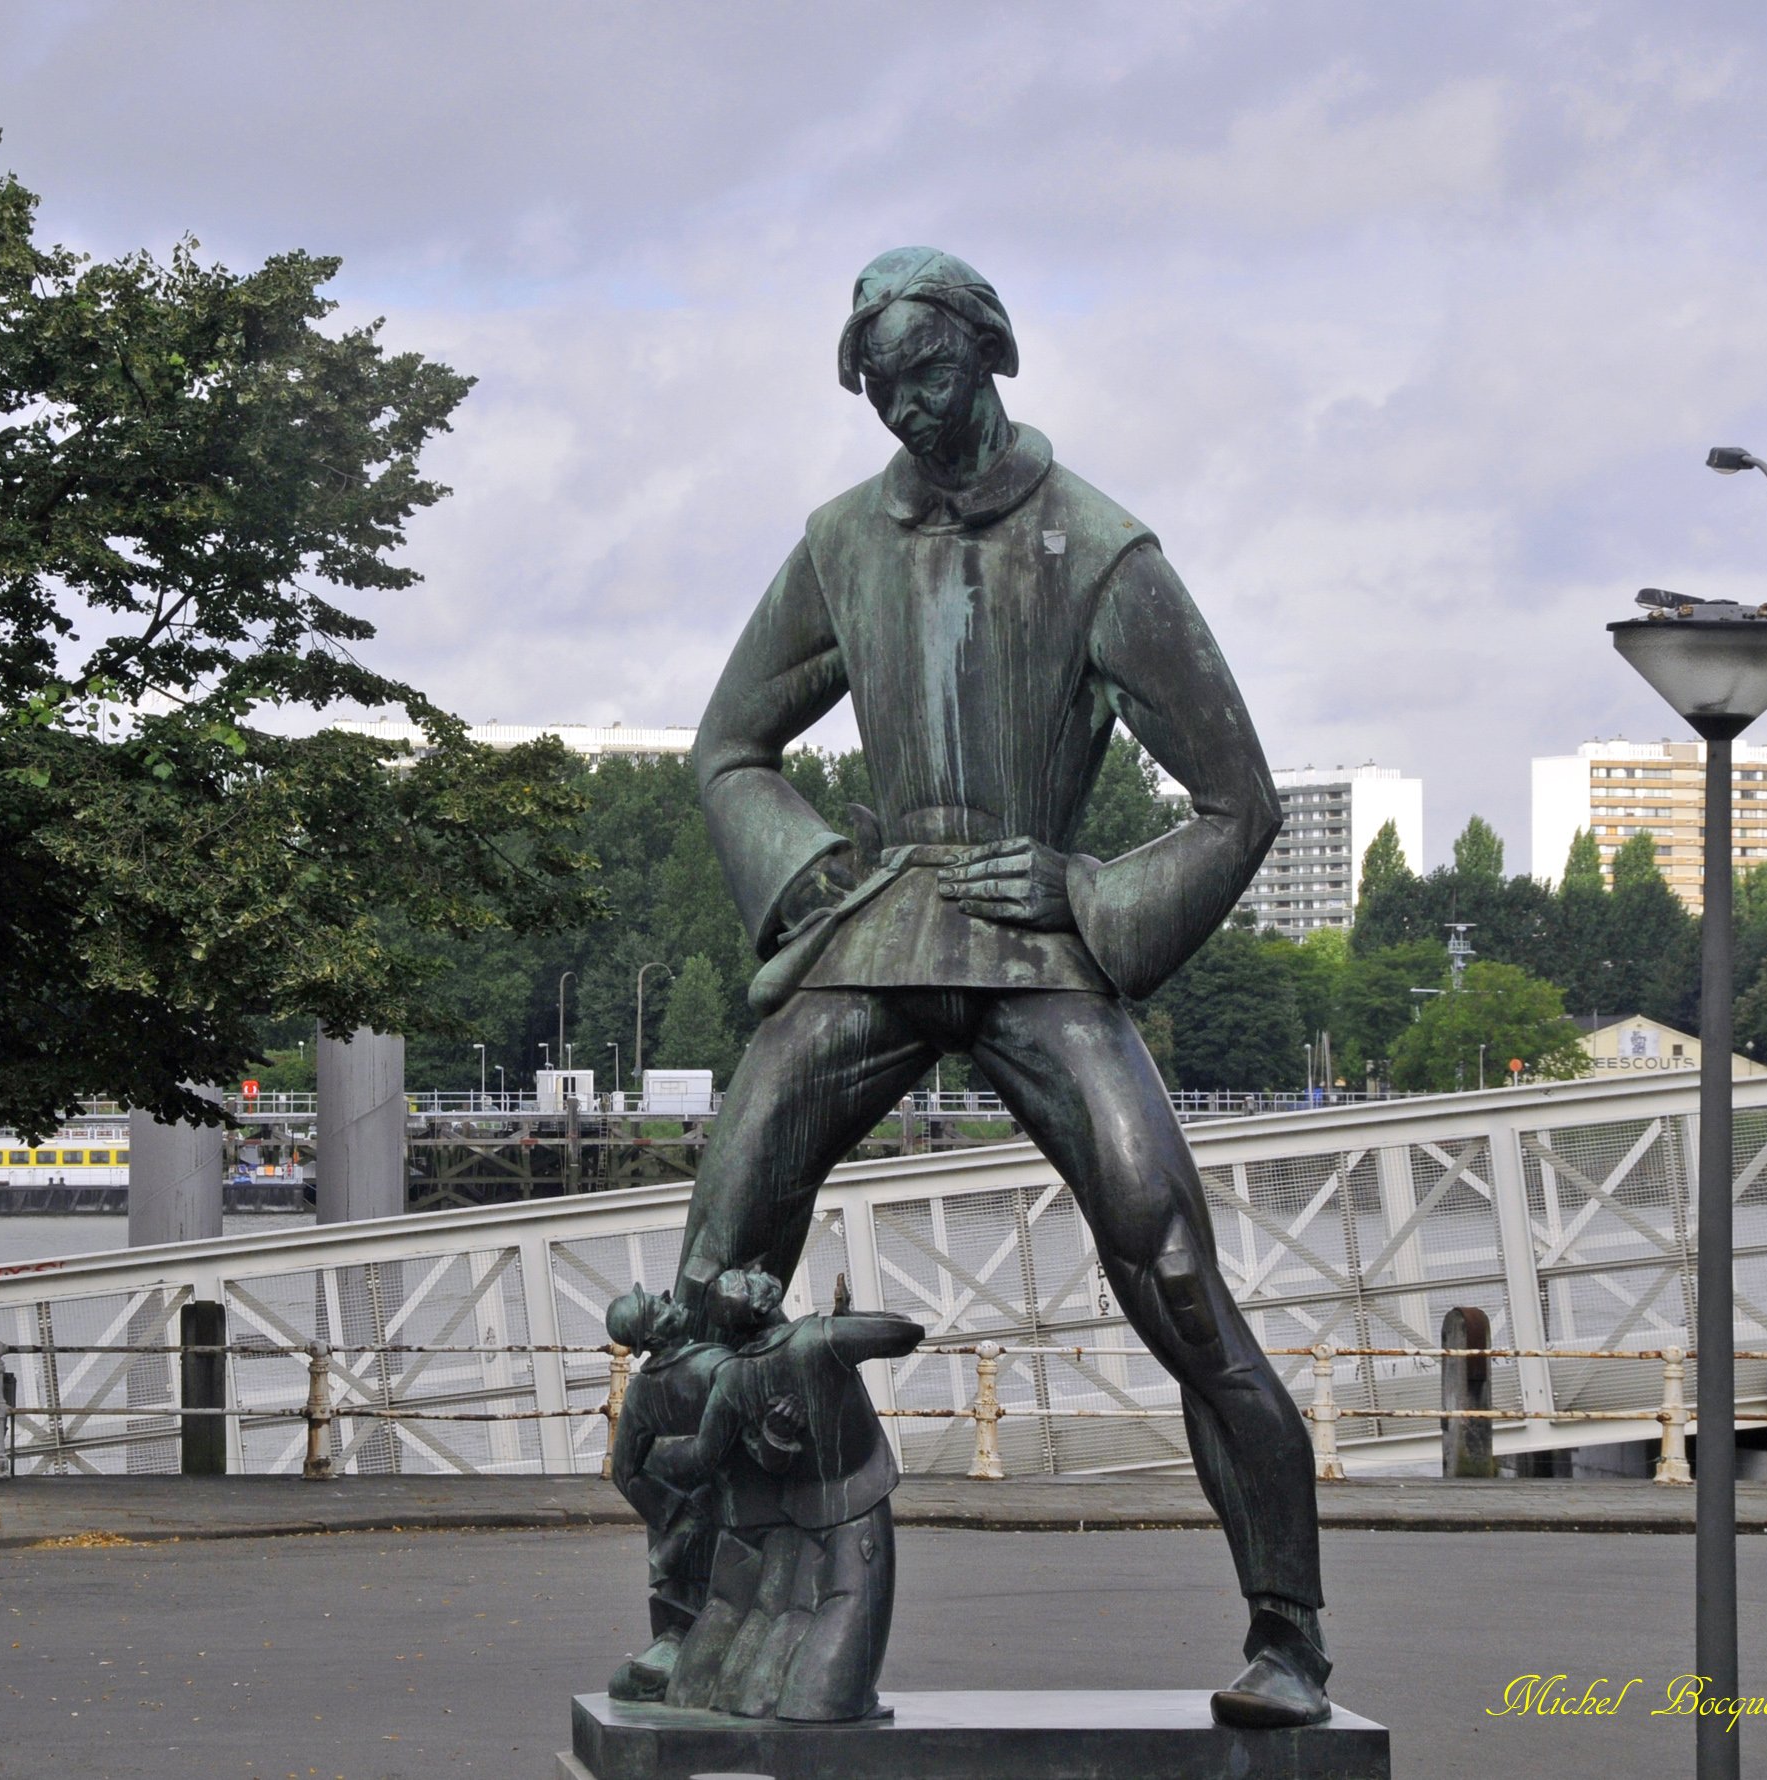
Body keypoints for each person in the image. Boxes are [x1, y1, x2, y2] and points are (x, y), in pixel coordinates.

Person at [675, 246, 1329, 1729]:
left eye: (933, 375)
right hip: (884, 935)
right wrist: (811, 873)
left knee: (1171, 1272)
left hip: (1037, 956)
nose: (910, 409)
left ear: (994, 355)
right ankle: (689, 1619)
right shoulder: (842, 543)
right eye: (884, 388)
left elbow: (1239, 800)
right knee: (716, 1256)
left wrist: (1090, 895)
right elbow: (728, 748)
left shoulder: (1098, 549)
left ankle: (1289, 1633)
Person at [644, 1268, 922, 1722]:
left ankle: (763, 1699)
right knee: (850, 1624)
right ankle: (829, 1702)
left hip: (797, 1513)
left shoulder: (733, 1376)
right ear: (761, 1302)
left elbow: (756, 1459)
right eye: (749, 1276)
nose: (757, 1270)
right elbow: (906, 1332)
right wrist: (848, 1320)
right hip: (858, 1501)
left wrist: (773, 1437)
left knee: (791, 1618)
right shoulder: (818, 1338)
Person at [602, 1285, 727, 1701]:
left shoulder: (640, 1390)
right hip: (725, 1507)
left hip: (676, 1521)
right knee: (725, 1601)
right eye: (657, 1304)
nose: (667, 1294)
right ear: (652, 1336)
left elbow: (624, 1470)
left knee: (687, 1603)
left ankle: (676, 1661)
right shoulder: (715, 1364)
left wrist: (672, 1511)